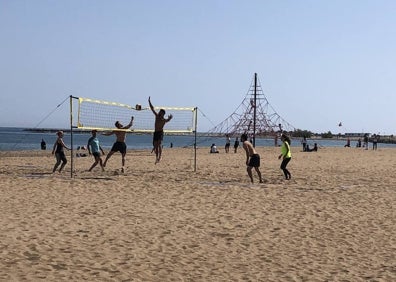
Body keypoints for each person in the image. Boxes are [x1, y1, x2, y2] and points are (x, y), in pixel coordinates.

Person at [148, 96, 173, 163]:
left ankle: (159, 157)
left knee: (158, 145)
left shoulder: (163, 120)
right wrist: (149, 101)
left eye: (161, 113)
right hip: (155, 132)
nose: (159, 113)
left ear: (163, 114)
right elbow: (152, 109)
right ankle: (156, 158)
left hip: (160, 132)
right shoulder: (157, 116)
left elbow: (168, 120)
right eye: (159, 112)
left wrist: (170, 118)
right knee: (155, 146)